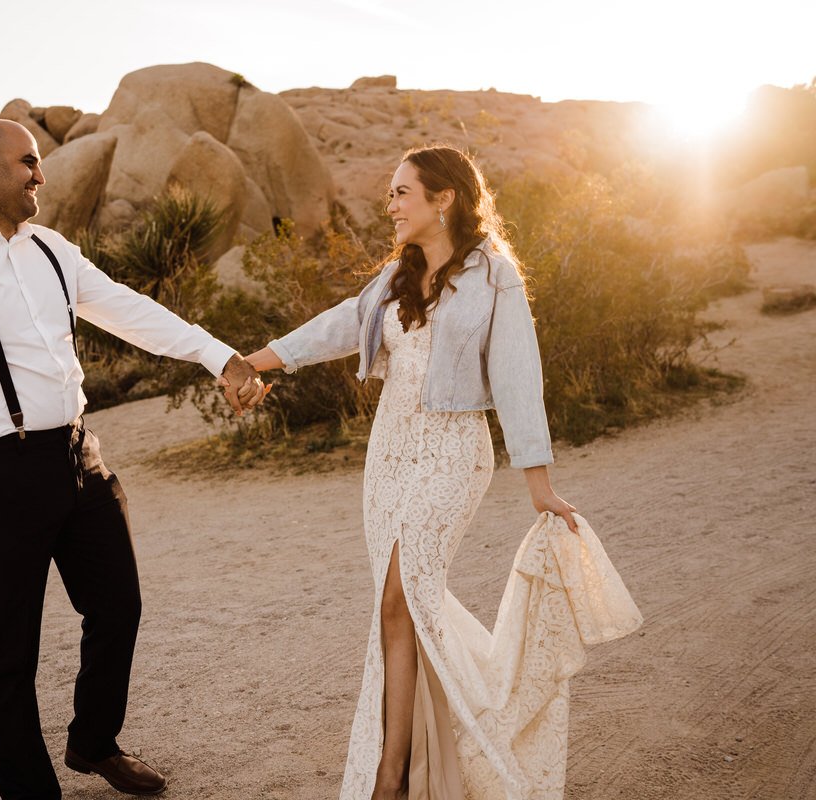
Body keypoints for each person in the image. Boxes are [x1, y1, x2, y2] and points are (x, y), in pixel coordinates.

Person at [0, 118, 264, 800]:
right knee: (9, 654)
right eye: (28, 162)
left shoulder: (51, 250)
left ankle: (93, 743)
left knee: (119, 607)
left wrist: (218, 355)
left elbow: (129, 310)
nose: (41, 175)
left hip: (80, 456)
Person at [244, 146, 579, 800]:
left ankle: (390, 780)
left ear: (443, 197)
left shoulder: (493, 276)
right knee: (398, 610)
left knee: (403, 597)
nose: (390, 205)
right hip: (391, 453)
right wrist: (258, 362)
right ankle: (405, 767)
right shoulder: (396, 277)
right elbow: (339, 325)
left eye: (401, 193)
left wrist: (539, 485)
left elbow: (517, 379)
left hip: (456, 451)